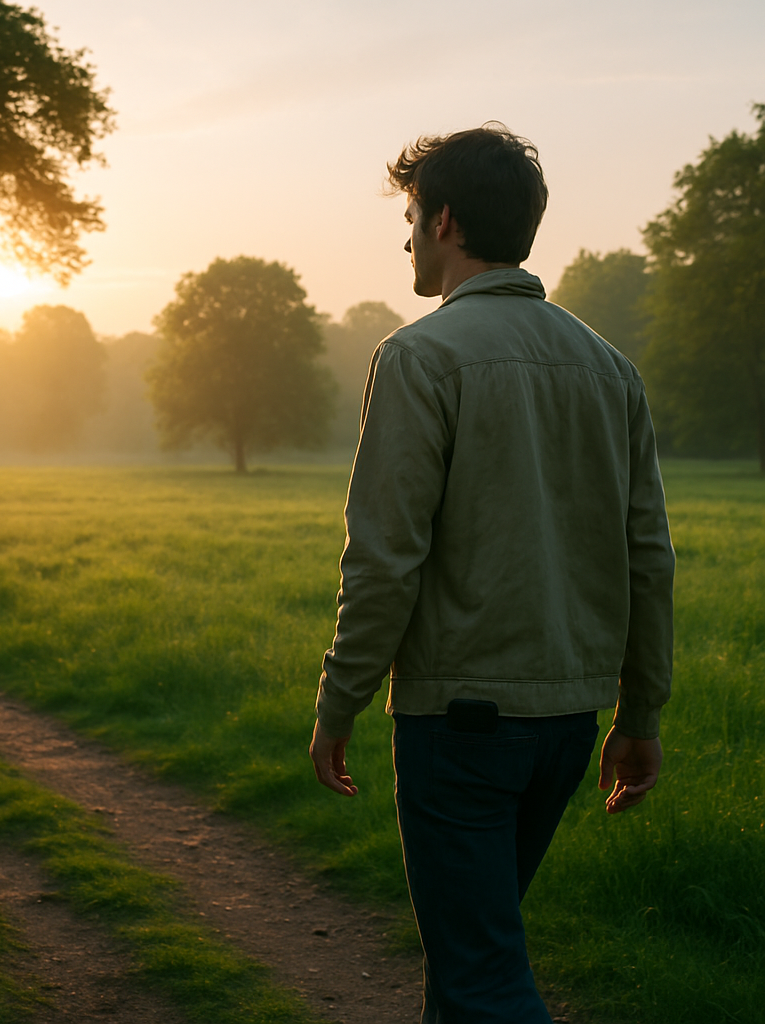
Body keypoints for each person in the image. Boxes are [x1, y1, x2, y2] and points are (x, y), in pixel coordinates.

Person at [308, 124, 674, 1024]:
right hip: (566, 727)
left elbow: (386, 559)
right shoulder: (609, 368)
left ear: (445, 221)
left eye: (409, 215)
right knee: (472, 961)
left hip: (460, 726)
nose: (403, 237)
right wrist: (640, 716)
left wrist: (337, 701)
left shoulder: (419, 356)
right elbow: (649, 557)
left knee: (481, 979)